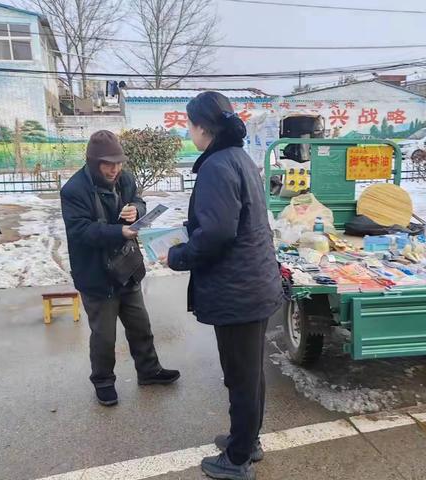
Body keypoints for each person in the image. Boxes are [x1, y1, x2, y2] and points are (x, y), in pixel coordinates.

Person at [167, 92, 283, 480]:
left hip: (239, 290)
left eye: (189, 125)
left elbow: (217, 232)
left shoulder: (218, 164)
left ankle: (237, 459)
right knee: (249, 374)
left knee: (241, 376)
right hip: (253, 284)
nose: (189, 131)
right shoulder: (240, 158)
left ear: (203, 128)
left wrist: (180, 254)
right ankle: (246, 440)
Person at [61, 130, 180, 407]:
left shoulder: (124, 178)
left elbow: (139, 200)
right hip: (95, 275)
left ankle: (149, 371)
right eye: (107, 163)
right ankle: (103, 382)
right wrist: (120, 231)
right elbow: (81, 231)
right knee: (104, 336)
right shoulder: (74, 190)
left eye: (118, 162)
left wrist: (136, 211)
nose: (114, 169)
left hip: (127, 267)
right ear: (93, 162)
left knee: (140, 325)